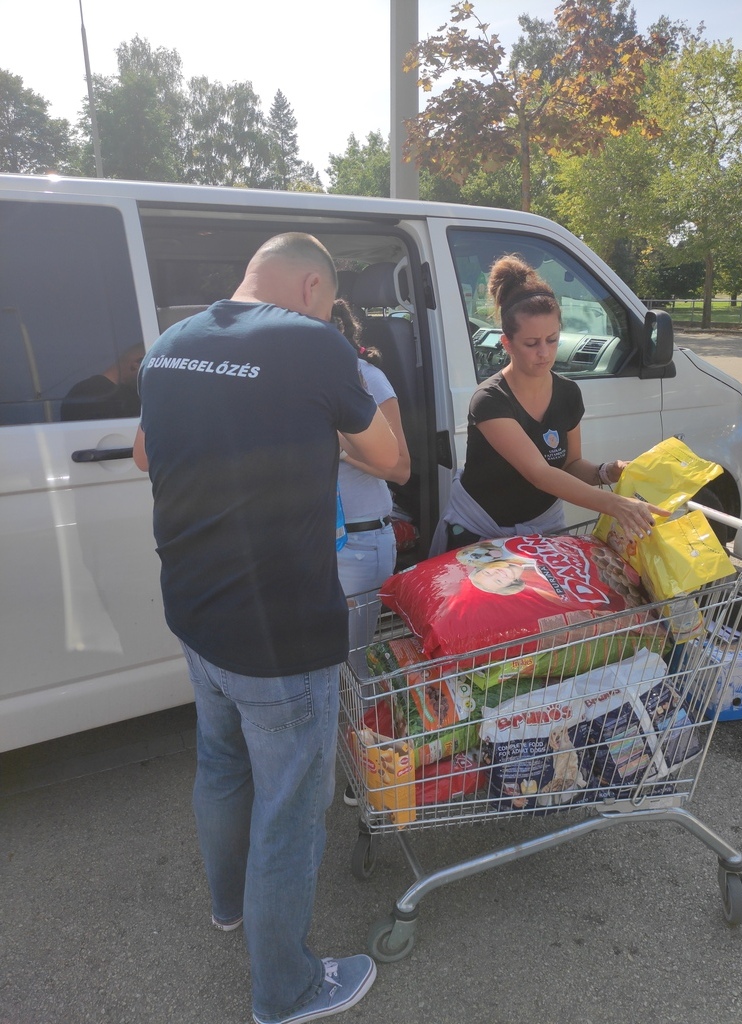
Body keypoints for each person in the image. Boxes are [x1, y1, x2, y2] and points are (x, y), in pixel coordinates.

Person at [132, 232, 398, 1024]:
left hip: (195, 607)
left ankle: (229, 908)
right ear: (314, 286)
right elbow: (387, 457)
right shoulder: (313, 346)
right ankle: (284, 990)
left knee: (220, 764)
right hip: (280, 626)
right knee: (290, 804)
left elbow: (147, 455)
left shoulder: (172, 342)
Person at [431, 253, 667, 556]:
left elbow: (570, 464)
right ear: (507, 344)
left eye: (552, 340)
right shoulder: (490, 400)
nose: (544, 352)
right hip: (481, 533)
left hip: (543, 531)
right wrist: (616, 505)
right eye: (532, 343)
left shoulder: (568, 393)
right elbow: (539, 473)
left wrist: (609, 471)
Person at [333, 298, 411, 667]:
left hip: (360, 544)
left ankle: (358, 726)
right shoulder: (300, 383)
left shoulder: (370, 379)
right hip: (320, 540)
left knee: (353, 669)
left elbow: (401, 469)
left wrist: (343, 449)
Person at [60, 343, 144, 421]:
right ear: (135, 364)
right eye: (148, 368)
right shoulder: (88, 395)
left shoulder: (79, 391)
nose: (147, 377)